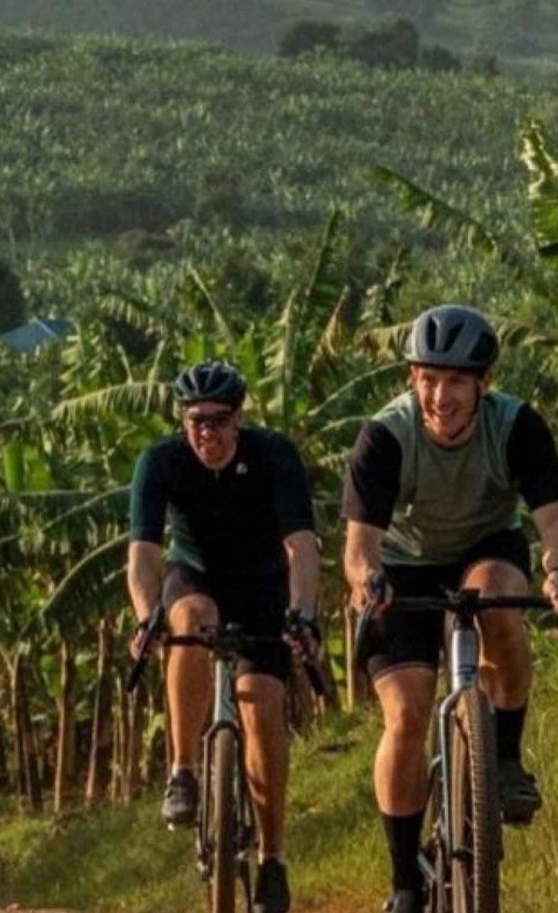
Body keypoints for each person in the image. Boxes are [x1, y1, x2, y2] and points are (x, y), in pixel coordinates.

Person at [342, 304, 558, 913]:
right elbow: (359, 548)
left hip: (482, 547)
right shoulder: (385, 436)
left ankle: (502, 759)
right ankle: (404, 880)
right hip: (401, 568)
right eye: (427, 378)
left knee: (499, 597)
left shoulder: (518, 426)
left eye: (454, 382)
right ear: (411, 379)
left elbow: (555, 524)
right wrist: (369, 581)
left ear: (483, 384)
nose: (440, 396)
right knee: (408, 714)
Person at [127, 360, 319, 913]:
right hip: (195, 575)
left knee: (263, 705)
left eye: (219, 420)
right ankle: (184, 771)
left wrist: (302, 612)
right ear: (182, 421)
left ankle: (272, 861)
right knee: (190, 621)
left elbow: (300, 546)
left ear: (240, 418)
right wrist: (146, 616)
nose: (207, 432)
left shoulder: (273, 455)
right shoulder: (160, 461)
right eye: (196, 421)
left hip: (263, 584)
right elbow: (143, 555)